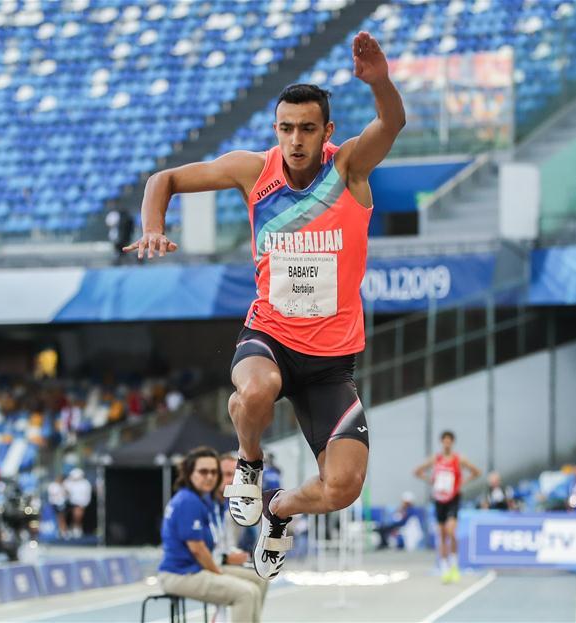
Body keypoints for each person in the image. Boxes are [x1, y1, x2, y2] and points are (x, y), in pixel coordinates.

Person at [124, 31, 405, 580]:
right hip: (270, 336)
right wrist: (153, 227)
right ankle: (248, 465)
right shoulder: (253, 171)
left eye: (306, 128)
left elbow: (391, 124)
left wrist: (381, 84)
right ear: (275, 129)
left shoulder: (349, 170)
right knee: (254, 391)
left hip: (330, 364)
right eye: (285, 128)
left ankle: (277, 510)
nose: (295, 140)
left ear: (327, 131)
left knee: (343, 489)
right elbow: (166, 178)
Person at [158, 447, 264, 623]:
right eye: (203, 471)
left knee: (257, 583)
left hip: (196, 569)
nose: (210, 476)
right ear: (190, 473)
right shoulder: (188, 500)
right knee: (245, 593)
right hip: (180, 574)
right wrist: (219, 574)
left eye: (214, 472)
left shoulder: (201, 499)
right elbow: (198, 549)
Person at [414, 431, 482, 583]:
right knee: (442, 534)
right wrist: (432, 481)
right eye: (444, 441)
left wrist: (462, 483)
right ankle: (444, 569)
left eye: (449, 441)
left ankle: (454, 565)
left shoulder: (459, 459)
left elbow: (477, 472)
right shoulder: (436, 459)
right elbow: (417, 471)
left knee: (451, 531)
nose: (447, 444)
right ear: (441, 442)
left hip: (453, 498)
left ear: (452, 443)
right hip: (439, 499)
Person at [212, 453, 268, 621]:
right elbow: (201, 549)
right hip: (209, 565)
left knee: (262, 578)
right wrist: (226, 558)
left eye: (233, 475)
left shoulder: (231, 505)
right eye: (226, 475)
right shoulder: (206, 504)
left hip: (225, 560)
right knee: (247, 591)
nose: (230, 480)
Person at [63, 468, 92, 538]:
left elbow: (87, 495)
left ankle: (76, 528)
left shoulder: (85, 483)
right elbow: (65, 490)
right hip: (70, 503)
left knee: (78, 516)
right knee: (69, 516)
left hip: (81, 504)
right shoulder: (68, 482)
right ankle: (70, 529)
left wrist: (84, 504)